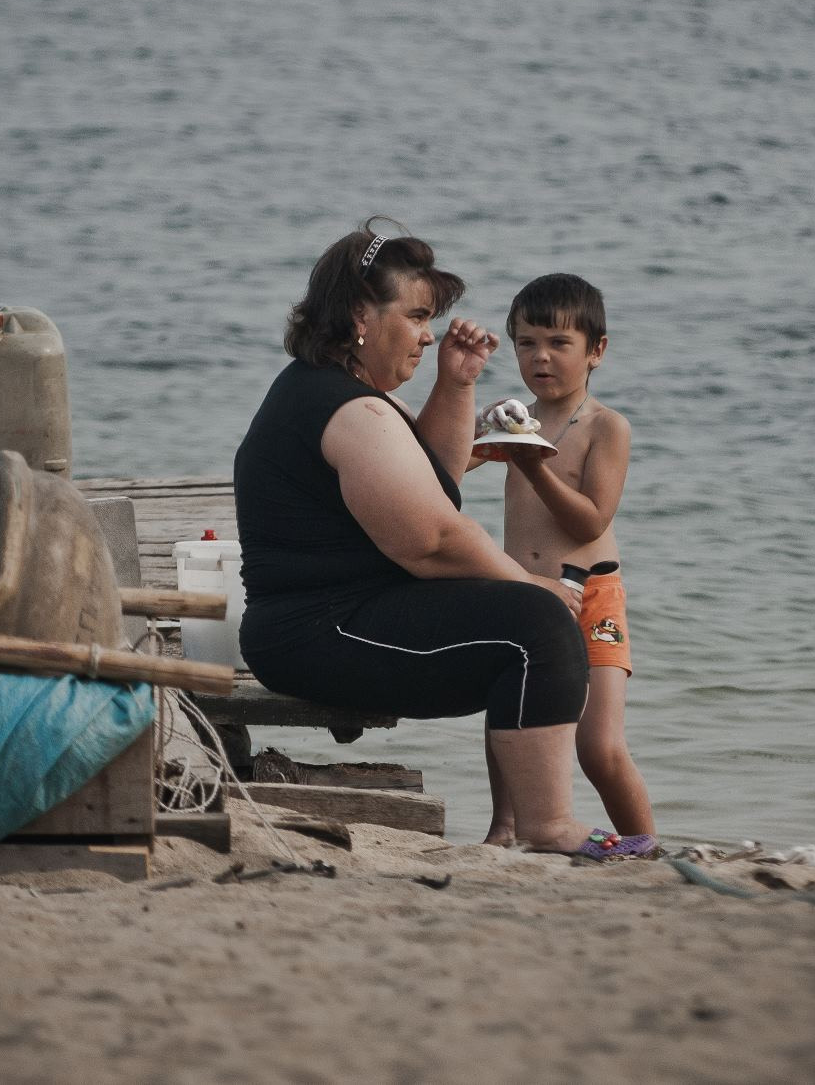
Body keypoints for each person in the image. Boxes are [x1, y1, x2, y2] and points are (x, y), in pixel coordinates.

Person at [233, 219, 618, 857]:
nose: (427, 332)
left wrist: (456, 383)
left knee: (530, 620)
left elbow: (436, 480)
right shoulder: (348, 410)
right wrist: (530, 583)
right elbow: (433, 538)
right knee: (535, 622)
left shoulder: (349, 395)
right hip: (317, 631)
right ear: (360, 314)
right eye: (415, 316)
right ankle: (546, 826)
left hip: (326, 620)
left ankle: (520, 826)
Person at [476, 273, 655, 857]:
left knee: (598, 745)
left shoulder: (607, 427)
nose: (541, 357)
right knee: (511, 712)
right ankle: (503, 826)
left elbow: (590, 522)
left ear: (596, 350)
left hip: (592, 595)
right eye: (527, 343)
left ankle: (646, 847)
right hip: (524, 593)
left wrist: (530, 466)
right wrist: (470, 425)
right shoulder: (515, 419)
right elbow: (443, 470)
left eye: (559, 342)